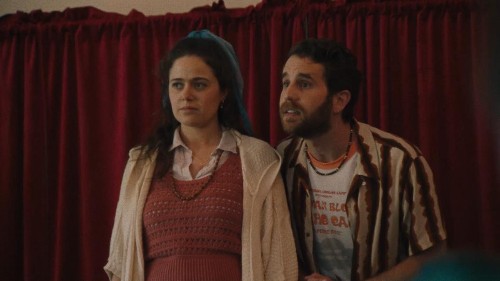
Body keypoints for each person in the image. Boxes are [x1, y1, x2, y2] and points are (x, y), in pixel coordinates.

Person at [104, 30, 297, 281]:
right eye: (177, 85)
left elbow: (277, 261)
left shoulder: (258, 159)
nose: (186, 95)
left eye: (199, 84)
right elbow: (120, 260)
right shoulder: (141, 164)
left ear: (224, 92)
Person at [277, 38, 447, 281]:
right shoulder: (280, 161)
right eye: (285, 82)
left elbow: (434, 256)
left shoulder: (400, 161)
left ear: (340, 100)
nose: (288, 94)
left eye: (304, 84)